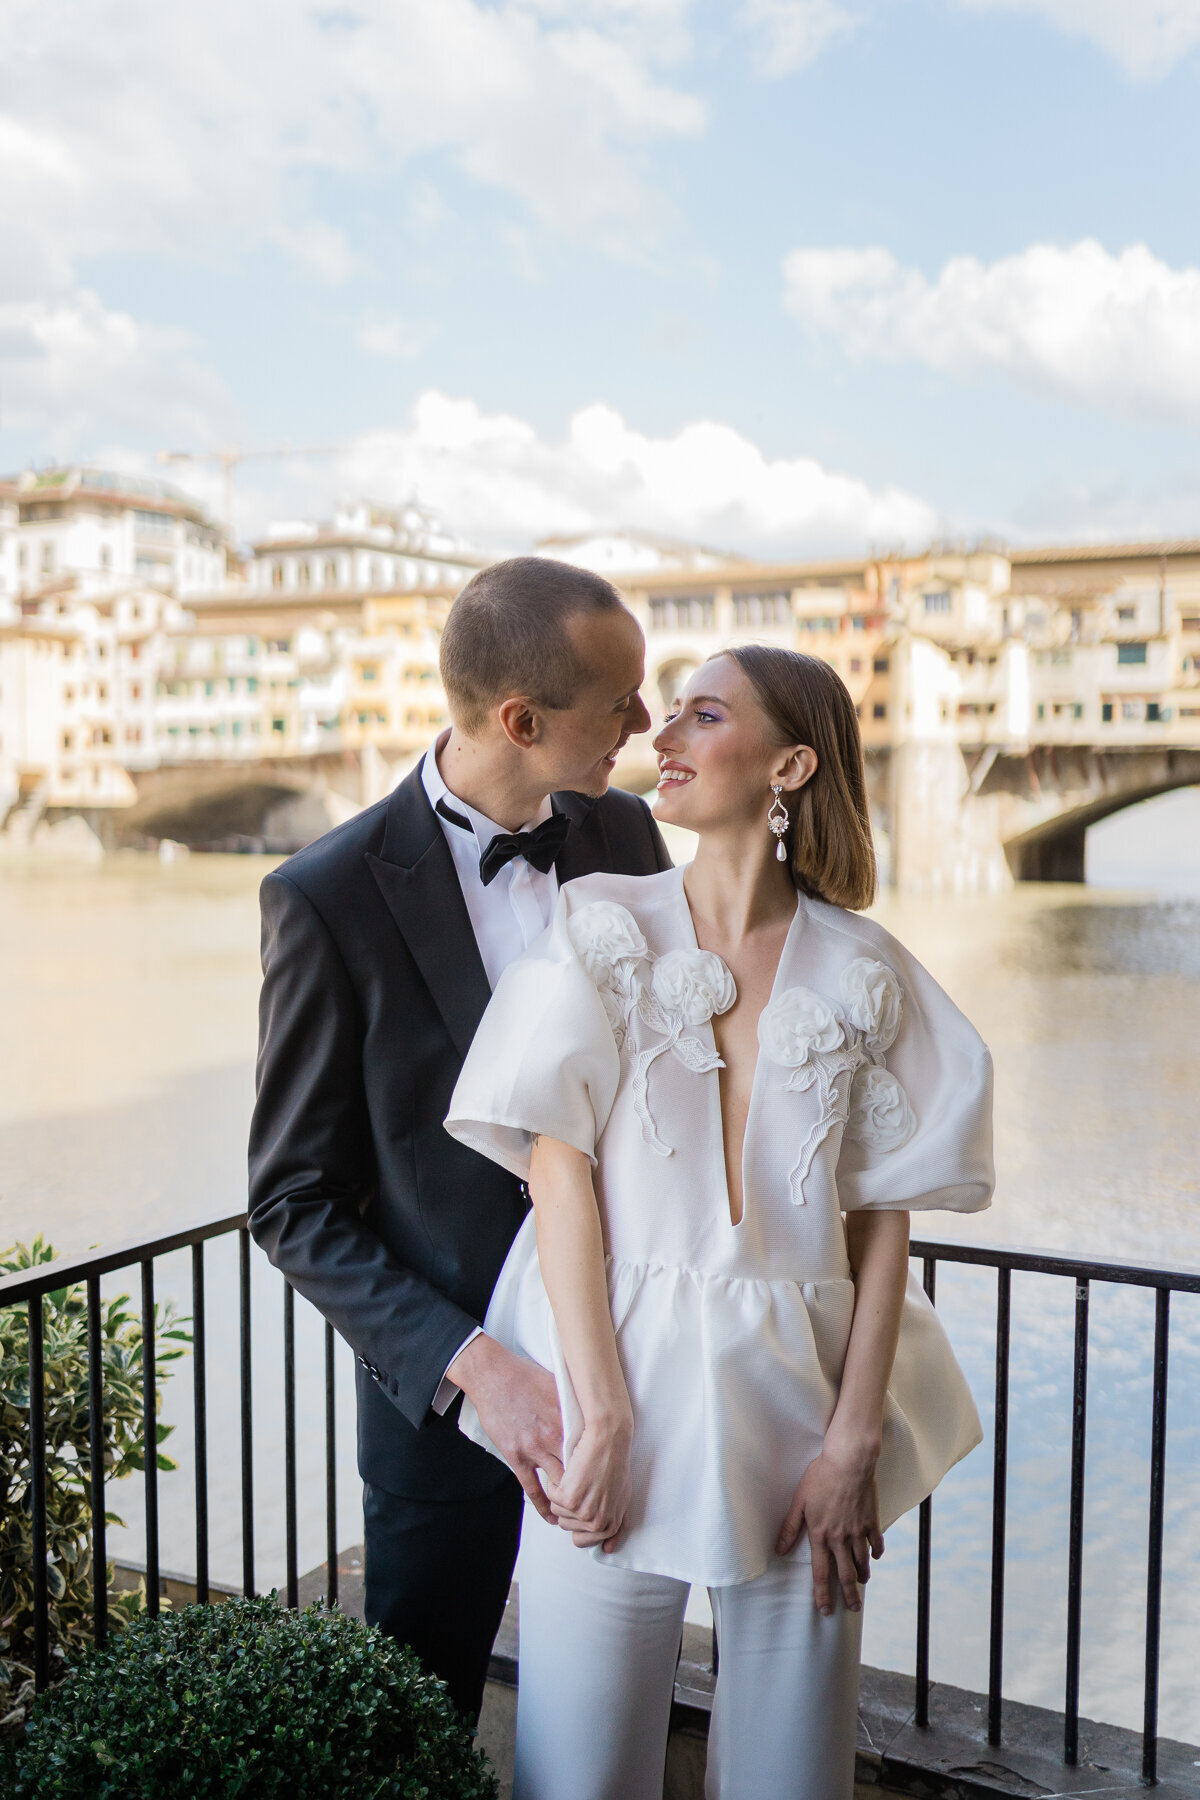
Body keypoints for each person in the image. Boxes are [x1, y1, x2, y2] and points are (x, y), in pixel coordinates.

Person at [445, 645, 995, 1800]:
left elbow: (881, 1224)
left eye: (702, 716)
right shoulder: (602, 923)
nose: (664, 738)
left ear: (790, 763)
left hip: (801, 1414)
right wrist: (597, 1415)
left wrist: (853, 1445)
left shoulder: (868, 968)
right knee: (577, 1774)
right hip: (610, 1399)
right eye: (671, 717)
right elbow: (559, 1179)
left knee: (792, 1778)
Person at [247, 557, 670, 1725]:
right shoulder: (324, 896)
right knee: (417, 1729)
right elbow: (291, 1203)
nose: (644, 724)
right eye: (621, 703)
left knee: (610, 1712)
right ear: (522, 721)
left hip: (636, 1371)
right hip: (451, 1418)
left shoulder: (630, 833)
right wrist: (473, 1366)